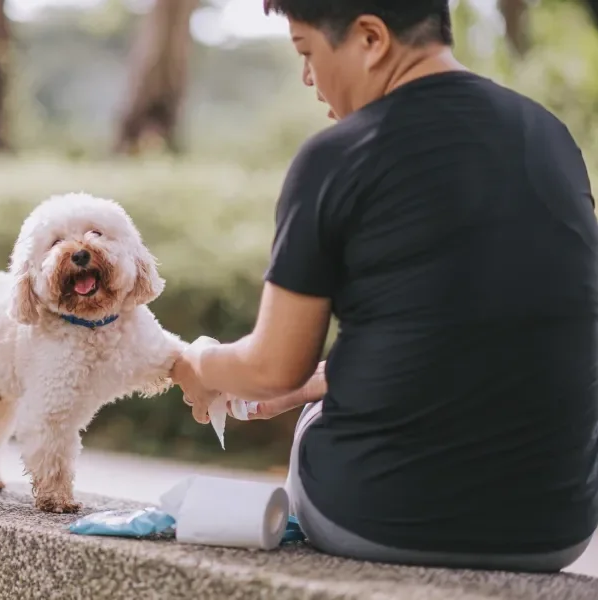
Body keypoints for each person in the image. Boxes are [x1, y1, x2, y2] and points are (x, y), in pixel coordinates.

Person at [170, 0, 598, 572]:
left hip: (376, 518)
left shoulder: (338, 155)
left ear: (370, 38)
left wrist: (196, 366)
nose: (306, 77)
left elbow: (273, 368)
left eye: (307, 51)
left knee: (314, 420)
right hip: (556, 529)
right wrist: (319, 380)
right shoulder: (550, 138)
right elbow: (494, 327)